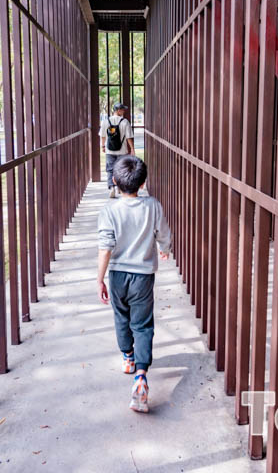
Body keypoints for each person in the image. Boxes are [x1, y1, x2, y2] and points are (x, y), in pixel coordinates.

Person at [96, 155, 172, 413]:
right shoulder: (152, 206)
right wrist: (164, 248)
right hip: (143, 276)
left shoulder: (109, 211)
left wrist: (100, 279)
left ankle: (128, 358)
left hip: (117, 274)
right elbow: (163, 232)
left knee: (121, 317)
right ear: (143, 183)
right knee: (142, 323)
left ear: (115, 181)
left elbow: (105, 248)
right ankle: (141, 374)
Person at [98, 102, 135, 198]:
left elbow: (102, 135)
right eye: (122, 109)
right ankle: (119, 187)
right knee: (122, 169)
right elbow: (129, 137)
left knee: (110, 169)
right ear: (118, 110)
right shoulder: (125, 122)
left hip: (110, 151)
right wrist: (132, 148)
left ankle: (112, 187)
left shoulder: (106, 121)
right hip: (122, 151)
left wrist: (102, 146)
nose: (124, 111)